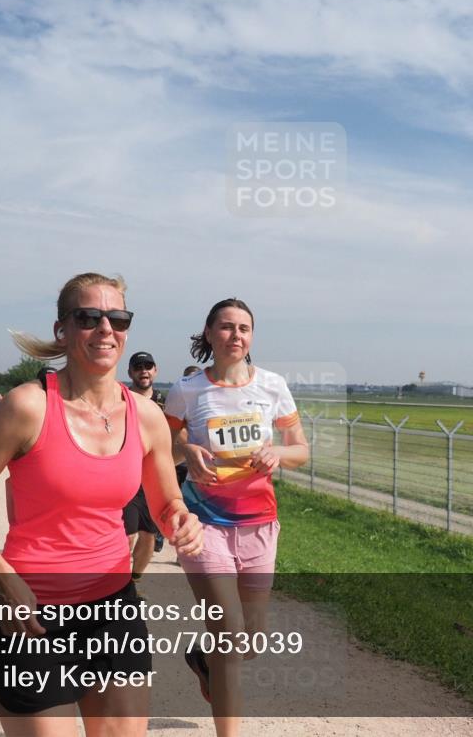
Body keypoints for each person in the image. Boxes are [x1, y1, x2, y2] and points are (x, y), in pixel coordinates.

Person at [0, 272, 203, 737]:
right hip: (32, 615)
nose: (105, 329)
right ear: (62, 330)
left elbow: (166, 502)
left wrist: (181, 519)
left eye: (117, 318)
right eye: (88, 317)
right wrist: (3, 580)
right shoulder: (28, 407)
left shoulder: (146, 416)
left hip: (113, 610)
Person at [165, 299, 309, 736]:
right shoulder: (188, 390)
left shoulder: (272, 386)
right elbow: (159, 447)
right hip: (203, 523)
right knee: (228, 633)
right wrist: (187, 449)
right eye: (226, 327)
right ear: (208, 334)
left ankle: (202, 659)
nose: (236, 335)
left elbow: (301, 450)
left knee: (250, 639)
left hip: (260, 524)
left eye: (244, 328)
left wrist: (278, 452)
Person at [122, 351, 165, 581]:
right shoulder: (120, 398)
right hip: (125, 474)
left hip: (152, 478)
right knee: (126, 535)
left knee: (149, 535)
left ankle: (134, 580)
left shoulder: (164, 402)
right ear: (130, 372)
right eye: (138, 367)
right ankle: (115, 585)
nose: (144, 370)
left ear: (155, 370)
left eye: (148, 366)